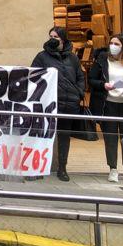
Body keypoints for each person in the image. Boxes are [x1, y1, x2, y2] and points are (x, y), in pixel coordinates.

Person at [31, 27, 85, 182]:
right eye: (50, 36)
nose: (52, 39)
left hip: (69, 103)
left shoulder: (73, 58)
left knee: (64, 137)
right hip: (49, 103)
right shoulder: (42, 57)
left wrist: (79, 93)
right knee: (43, 135)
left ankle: (62, 168)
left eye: (55, 36)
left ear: (63, 38)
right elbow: (34, 76)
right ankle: (38, 167)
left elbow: (80, 77)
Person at [89, 34, 123, 183]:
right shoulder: (101, 60)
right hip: (108, 104)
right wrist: (103, 85)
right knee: (110, 138)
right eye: (111, 43)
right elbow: (92, 79)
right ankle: (113, 168)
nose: (113, 46)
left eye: (117, 44)